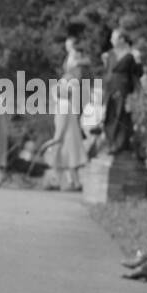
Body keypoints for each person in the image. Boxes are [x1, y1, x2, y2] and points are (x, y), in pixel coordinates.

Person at [40, 29, 90, 191]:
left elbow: (84, 64)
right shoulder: (69, 58)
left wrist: (76, 66)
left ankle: (61, 181)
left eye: (69, 43)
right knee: (67, 156)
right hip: (70, 89)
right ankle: (71, 181)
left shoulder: (75, 55)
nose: (66, 46)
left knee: (59, 155)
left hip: (73, 87)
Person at [101, 26, 144, 157]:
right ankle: (111, 142)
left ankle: (120, 144)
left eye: (114, 37)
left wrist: (138, 61)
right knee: (109, 113)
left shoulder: (132, 54)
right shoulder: (109, 54)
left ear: (122, 39)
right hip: (110, 86)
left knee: (121, 114)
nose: (111, 40)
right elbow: (107, 70)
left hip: (123, 86)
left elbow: (138, 73)